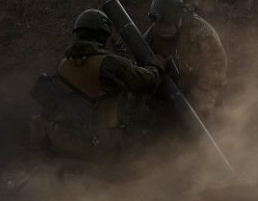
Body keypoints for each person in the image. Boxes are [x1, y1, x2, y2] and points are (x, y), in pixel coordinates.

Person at [31, 9, 165, 160]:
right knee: (151, 140)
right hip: (102, 142)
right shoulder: (108, 63)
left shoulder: (64, 64)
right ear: (103, 34)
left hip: (67, 136)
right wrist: (155, 65)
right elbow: (148, 81)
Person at [144, 0, 228, 120]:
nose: (162, 28)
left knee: (199, 126)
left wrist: (199, 98)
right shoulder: (149, 38)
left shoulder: (200, 31)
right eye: (158, 24)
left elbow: (217, 65)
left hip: (200, 88)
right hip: (168, 93)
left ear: (179, 19)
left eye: (167, 24)